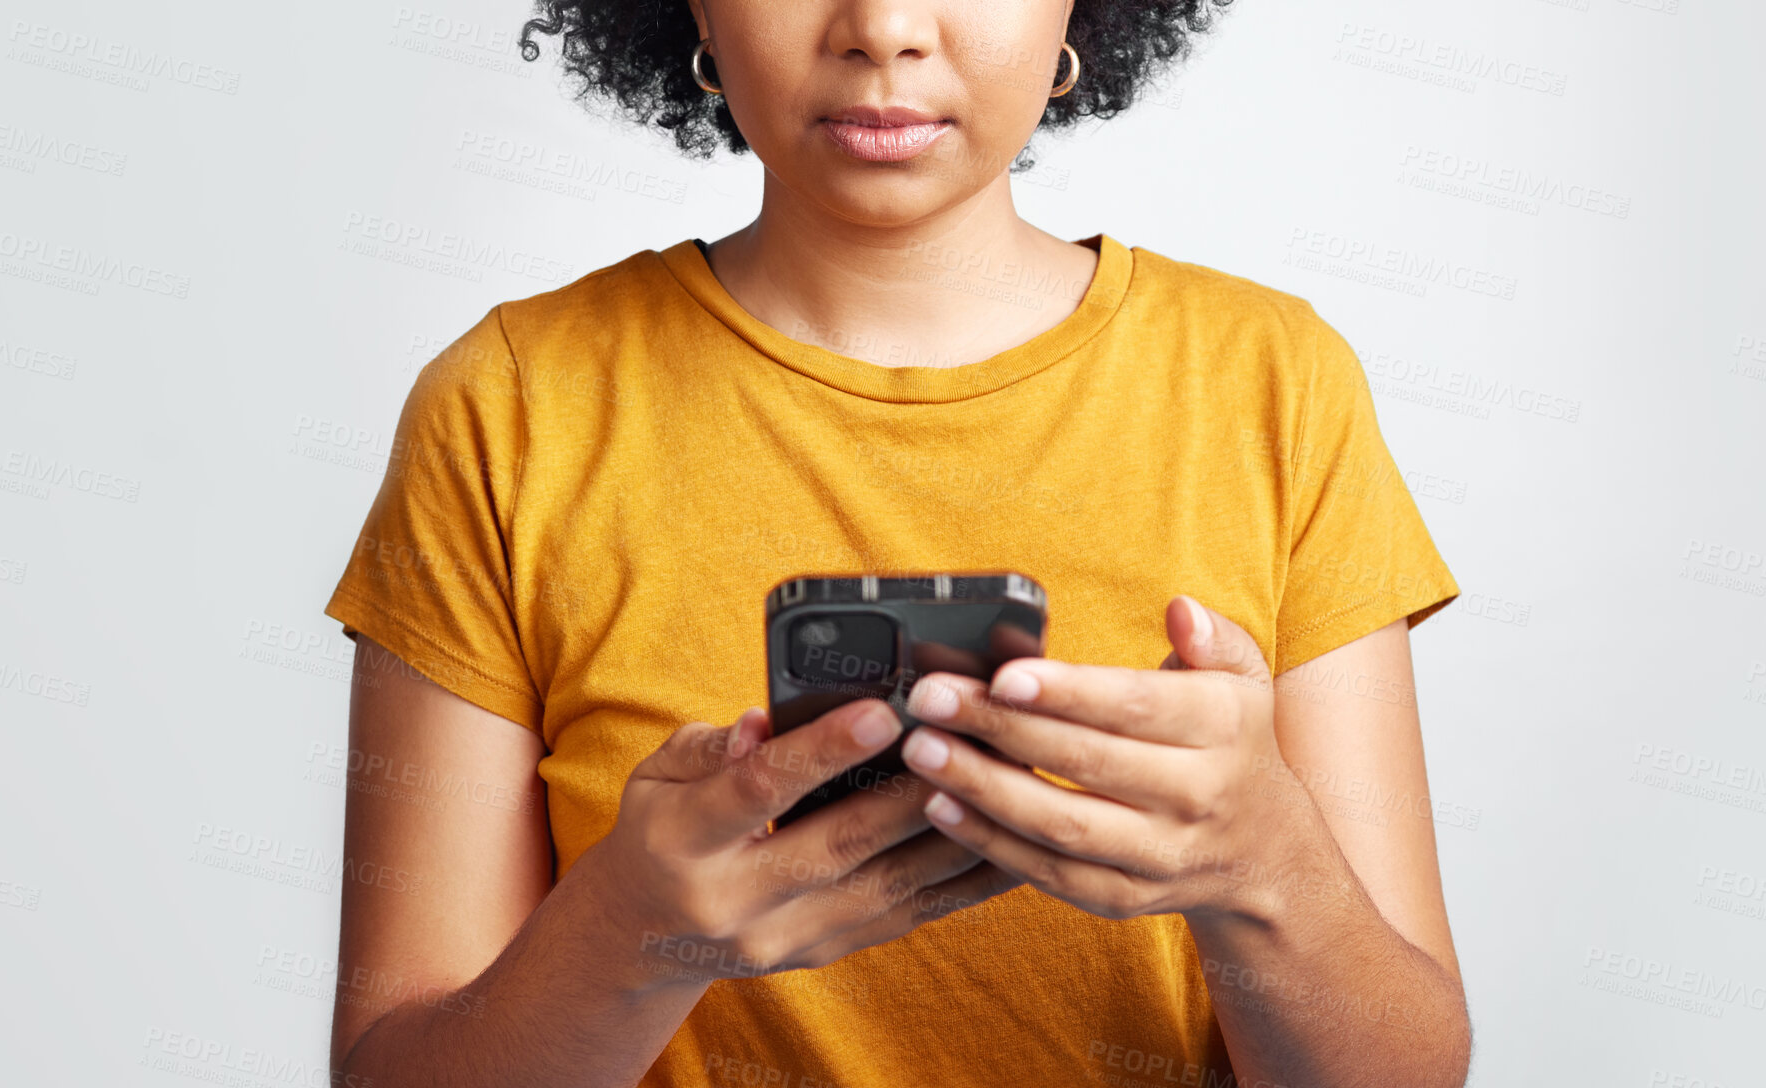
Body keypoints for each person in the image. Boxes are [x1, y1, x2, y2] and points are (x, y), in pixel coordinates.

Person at [322, 1, 1473, 1085]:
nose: (881, 29)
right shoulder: (511, 408)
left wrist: (1266, 871)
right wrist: (629, 938)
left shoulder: (1273, 384)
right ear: (697, 13)